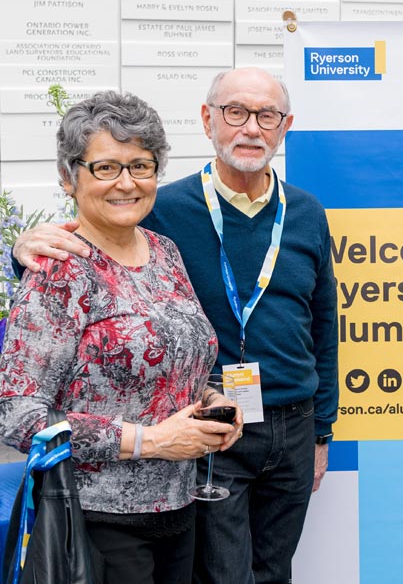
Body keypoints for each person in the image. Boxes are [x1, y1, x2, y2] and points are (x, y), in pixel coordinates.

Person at [13, 67, 339, 584]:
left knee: (275, 571)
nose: (251, 128)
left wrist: (320, 429)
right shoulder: (159, 211)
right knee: (225, 575)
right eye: (235, 112)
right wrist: (21, 253)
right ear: (208, 120)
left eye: (267, 115)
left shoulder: (296, 216)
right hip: (168, 464)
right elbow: (81, 250)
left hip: (258, 437)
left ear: (285, 125)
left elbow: (324, 323)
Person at [0, 90, 243, 583]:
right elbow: (16, 414)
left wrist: (215, 402)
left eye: (141, 165)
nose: (127, 183)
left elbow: (180, 361)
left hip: (179, 510)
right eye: (106, 167)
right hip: (94, 524)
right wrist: (152, 441)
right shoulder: (58, 272)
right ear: (69, 178)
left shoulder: (165, 252)